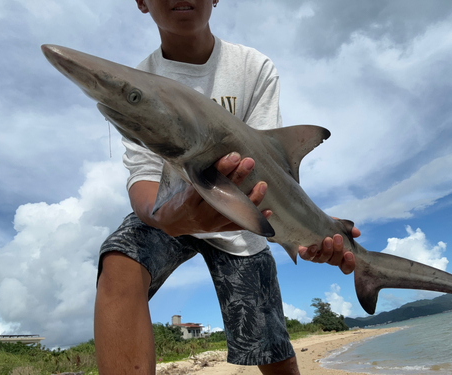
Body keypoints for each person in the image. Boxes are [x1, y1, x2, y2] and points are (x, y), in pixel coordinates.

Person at [94, 1, 360, 374]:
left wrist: (308, 228)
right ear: (140, 1)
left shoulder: (254, 67)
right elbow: (143, 175)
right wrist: (170, 216)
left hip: (243, 221)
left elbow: (273, 168)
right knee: (120, 259)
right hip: (173, 206)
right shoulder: (137, 82)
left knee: (273, 353)